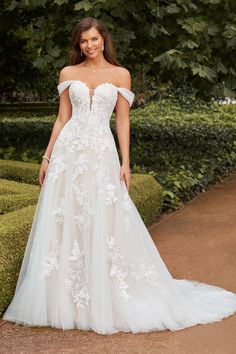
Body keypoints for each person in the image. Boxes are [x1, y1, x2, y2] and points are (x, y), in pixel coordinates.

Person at [3, 17, 236, 335]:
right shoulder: (68, 74)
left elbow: (123, 121)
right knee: (66, 217)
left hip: (101, 152)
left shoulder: (121, 75)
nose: (89, 45)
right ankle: (67, 297)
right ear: (78, 44)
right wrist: (47, 156)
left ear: (103, 39)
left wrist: (126, 162)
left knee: (104, 217)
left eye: (94, 39)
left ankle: (105, 291)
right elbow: (61, 118)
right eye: (83, 41)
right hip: (69, 154)